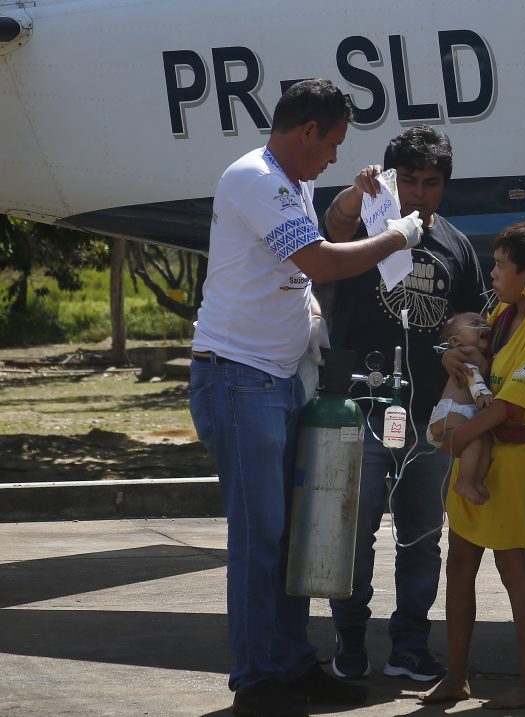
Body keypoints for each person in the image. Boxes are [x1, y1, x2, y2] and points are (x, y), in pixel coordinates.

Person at [188, 78, 425, 717]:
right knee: (260, 537)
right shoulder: (256, 178)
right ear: (305, 133)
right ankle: (257, 679)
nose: (331, 157)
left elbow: (297, 253)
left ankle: (289, 663)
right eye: (331, 146)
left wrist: (350, 198)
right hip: (240, 379)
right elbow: (320, 260)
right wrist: (398, 236)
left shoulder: (291, 180)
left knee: (290, 536)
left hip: (278, 376)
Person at [321, 125, 487, 683]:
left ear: (445, 186)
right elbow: (331, 230)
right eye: (408, 181)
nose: (418, 194)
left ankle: (409, 645)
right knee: (353, 531)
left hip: (427, 419)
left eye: (431, 183)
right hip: (359, 410)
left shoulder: (457, 246)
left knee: (421, 536)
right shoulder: (364, 227)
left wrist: (454, 353)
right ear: (390, 180)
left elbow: (470, 327)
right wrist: (355, 196)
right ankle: (348, 641)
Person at [419, 220, 525, 710]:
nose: (492, 274)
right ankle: (456, 676)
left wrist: (460, 435)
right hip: (481, 455)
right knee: (459, 563)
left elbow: (511, 403)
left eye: (501, 266)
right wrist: (452, 359)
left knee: (513, 570)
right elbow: (477, 360)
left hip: (514, 460)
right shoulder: (508, 310)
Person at [428, 311, 494, 505]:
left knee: (484, 440)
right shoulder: (465, 357)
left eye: (484, 322)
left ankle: (475, 480)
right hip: (451, 412)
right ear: (456, 342)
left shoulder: (482, 356)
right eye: (475, 324)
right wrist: (481, 394)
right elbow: (472, 376)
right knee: (473, 441)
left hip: (463, 413)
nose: (483, 325)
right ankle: (464, 482)